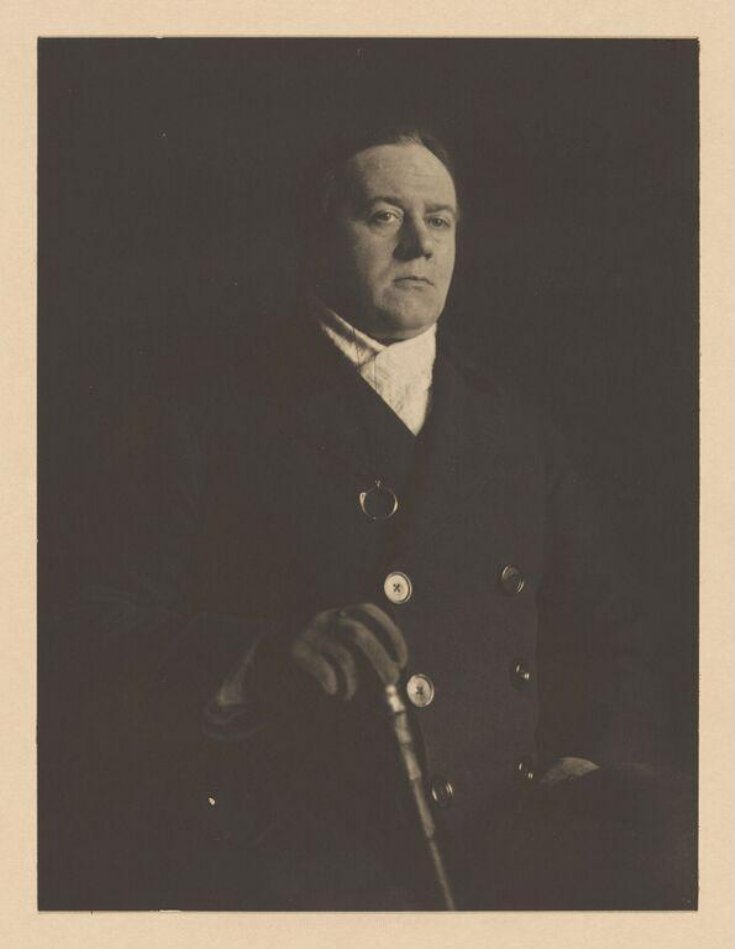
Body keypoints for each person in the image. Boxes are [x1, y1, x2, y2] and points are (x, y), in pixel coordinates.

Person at [46, 125, 695, 911]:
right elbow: (86, 628)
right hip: (289, 868)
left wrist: (591, 763)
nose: (420, 245)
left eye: (439, 220)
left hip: (504, 856)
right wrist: (253, 660)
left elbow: (613, 630)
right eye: (384, 216)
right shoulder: (204, 414)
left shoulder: (514, 432)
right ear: (318, 233)